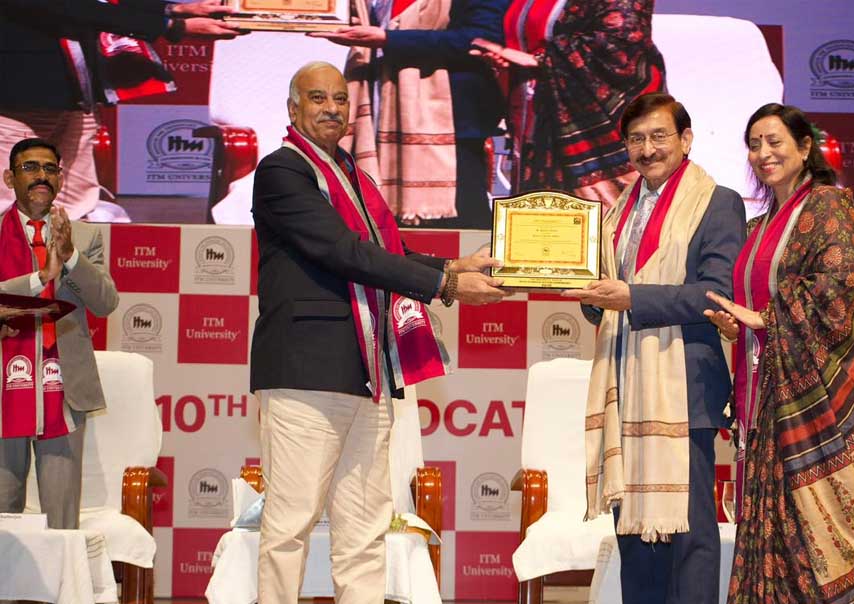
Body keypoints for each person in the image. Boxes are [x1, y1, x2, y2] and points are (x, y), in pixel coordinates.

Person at [251, 61, 510, 604]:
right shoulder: (282, 171)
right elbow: (342, 251)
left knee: (365, 529)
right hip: (306, 373)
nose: (331, 109)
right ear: (293, 108)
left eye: (340, 99)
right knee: (290, 527)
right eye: (317, 98)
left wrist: (453, 265)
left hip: (369, 373)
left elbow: (384, 253)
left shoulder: (355, 176)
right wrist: (446, 284)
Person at [562, 93, 745, 604]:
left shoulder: (718, 202)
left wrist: (631, 297)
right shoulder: (616, 211)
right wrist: (594, 299)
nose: (647, 149)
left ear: (685, 139)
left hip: (683, 388)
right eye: (636, 139)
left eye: (659, 136)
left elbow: (716, 293)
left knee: (688, 538)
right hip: (624, 386)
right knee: (634, 540)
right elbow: (606, 300)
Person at [704, 103, 854, 604]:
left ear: (804, 148)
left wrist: (768, 319)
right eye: (754, 144)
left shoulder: (829, 206)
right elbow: (750, 307)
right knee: (768, 534)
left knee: (818, 540)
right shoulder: (758, 225)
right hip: (766, 398)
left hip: (818, 403)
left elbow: (839, 285)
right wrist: (736, 325)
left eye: (774, 141)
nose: (763, 153)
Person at [0, 0, 244, 221]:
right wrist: (170, 26)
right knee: (11, 198)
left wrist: (171, 9)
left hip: (76, 92)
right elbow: (68, 6)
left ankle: (62, 256)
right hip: (19, 93)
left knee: (74, 201)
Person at [0, 137, 119, 529]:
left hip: (62, 390)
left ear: (61, 179)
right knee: (2, 520)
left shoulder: (83, 237)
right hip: (4, 390)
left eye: (50, 169)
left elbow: (105, 302)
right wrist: (41, 278)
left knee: (62, 523)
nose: (42, 176)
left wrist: (70, 258)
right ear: (9, 178)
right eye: (30, 167)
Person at [312, 0, 509, 229]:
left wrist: (389, 39)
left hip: (445, 117)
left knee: (458, 228)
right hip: (384, 106)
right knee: (383, 227)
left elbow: (482, 38)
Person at [470, 0, 664, 207]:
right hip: (535, 111)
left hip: (593, 122)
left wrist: (540, 59)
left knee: (603, 216)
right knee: (539, 212)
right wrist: (504, 55)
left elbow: (623, 40)